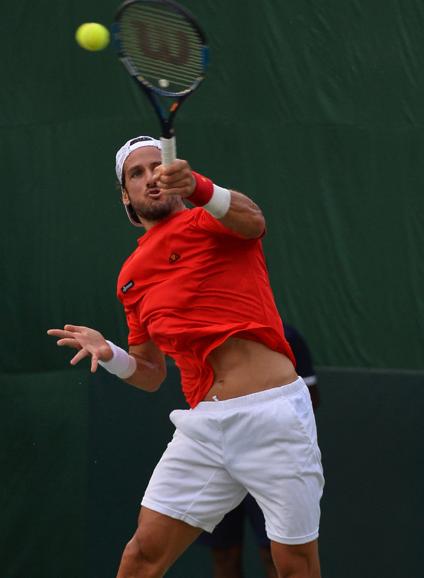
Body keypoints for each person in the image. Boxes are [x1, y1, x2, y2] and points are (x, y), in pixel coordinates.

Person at [47, 136, 324, 578]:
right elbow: (152, 374)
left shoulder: (210, 220)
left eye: (157, 167)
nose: (149, 178)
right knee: (140, 557)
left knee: (293, 565)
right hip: (204, 429)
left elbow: (253, 219)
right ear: (125, 195)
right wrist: (111, 354)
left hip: (272, 415)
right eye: (135, 174)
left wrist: (197, 185)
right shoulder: (130, 278)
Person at [197, 322, 320, 578]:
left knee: (276, 554)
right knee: (223, 553)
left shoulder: (285, 335)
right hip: (216, 457)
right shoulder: (201, 336)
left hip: (272, 459)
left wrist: (263, 410)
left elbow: (311, 396)